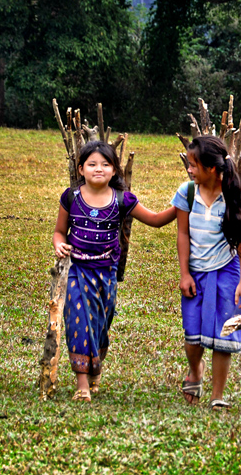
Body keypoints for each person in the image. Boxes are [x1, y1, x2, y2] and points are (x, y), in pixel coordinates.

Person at [53, 140, 176, 402]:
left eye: (105, 164)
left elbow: (154, 220)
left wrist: (181, 206)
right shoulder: (71, 197)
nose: (99, 169)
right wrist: (59, 244)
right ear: (81, 169)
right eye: (92, 164)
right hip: (77, 270)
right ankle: (82, 385)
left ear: (114, 170)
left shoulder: (123, 199)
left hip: (106, 274)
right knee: (79, 323)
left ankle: (95, 369)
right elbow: (59, 232)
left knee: (100, 325)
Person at [172, 136, 241, 410]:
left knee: (224, 334)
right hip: (196, 271)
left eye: (194, 165)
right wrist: (185, 274)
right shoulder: (187, 193)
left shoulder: (235, 197)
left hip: (226, 271)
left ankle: (218, 395)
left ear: (212, 168)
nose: (189, 170)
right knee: (192, 334)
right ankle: (195, 370)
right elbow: (183, 234)